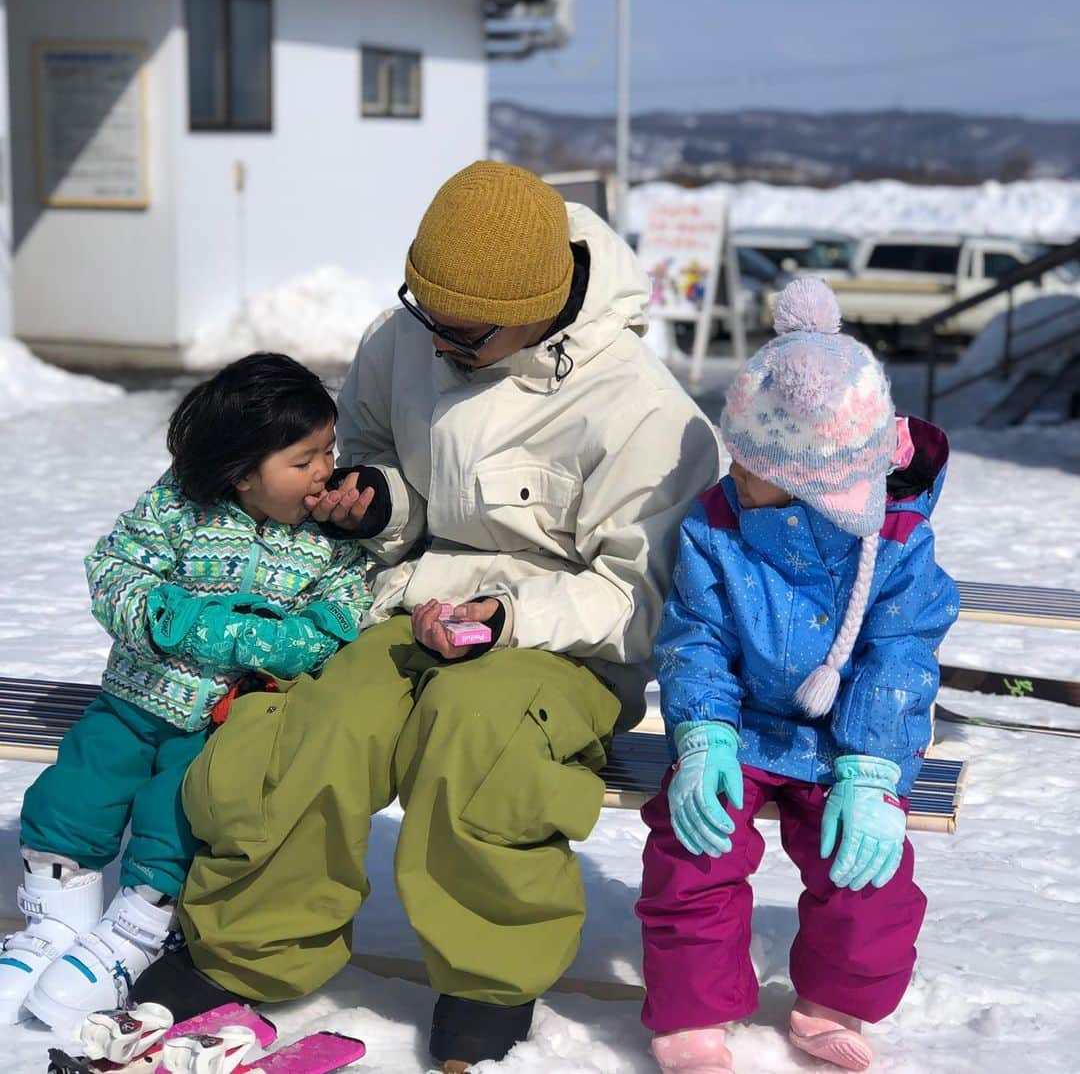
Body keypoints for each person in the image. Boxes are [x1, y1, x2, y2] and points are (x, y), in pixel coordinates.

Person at [129, 160, 721, 1071]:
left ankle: (490, 975)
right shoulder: (405, 339)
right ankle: (244, 948)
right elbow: (372, 455)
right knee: (316, 727)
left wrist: (507, 612)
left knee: (477, 739)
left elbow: (639, 598)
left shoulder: (646, 413)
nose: (438, 342)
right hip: (408, 602)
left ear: (539, 303)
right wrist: (376, 505)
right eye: (425, 312)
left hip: (564, 645)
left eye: (464, 330)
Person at [636, 278, 960, 1073]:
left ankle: (829, 1004)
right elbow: (696, 636)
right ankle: (691, 1013)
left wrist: (874, 766)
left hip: (845, 740)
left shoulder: (893, 543)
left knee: (869, 872)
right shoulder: (718, 524)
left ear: (815, 476)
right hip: (741, 725)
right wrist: (704, 731)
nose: (733, 471)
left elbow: (902, 656)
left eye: (752, 463)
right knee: (695, 846)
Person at [0, 353, 371, 1032]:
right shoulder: (178, 506)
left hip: (218, 722)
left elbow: (344, 617)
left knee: (177, 817)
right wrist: (164, 618)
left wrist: (265, 644)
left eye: (329, 449)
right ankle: (56, 921)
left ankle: (136, 930)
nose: (325, 470)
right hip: (134, 694)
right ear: (241, 472)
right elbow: (113, 567)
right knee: (74, 792)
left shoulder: (328, 542)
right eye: (304, 458)